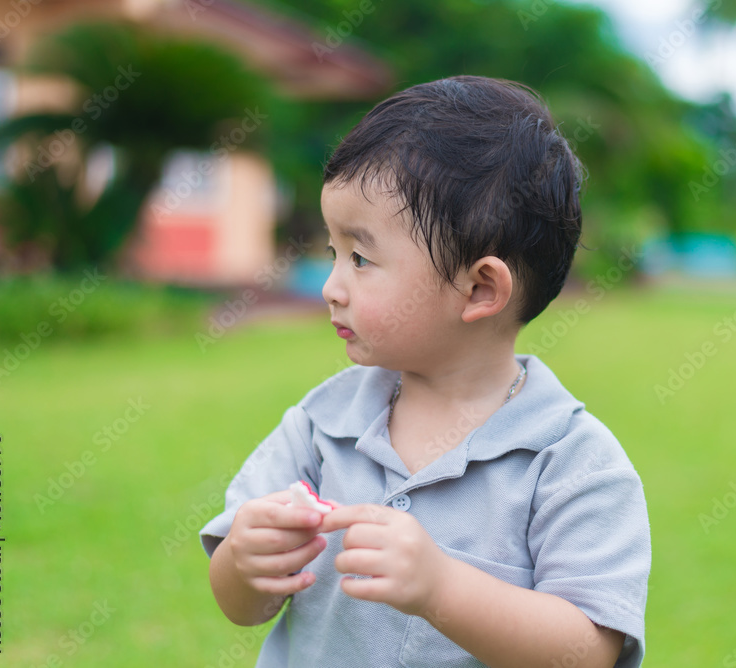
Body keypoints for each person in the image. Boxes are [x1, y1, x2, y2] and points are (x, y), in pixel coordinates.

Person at [201, 75, 651, 667]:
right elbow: (241, 604)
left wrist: (442, 589)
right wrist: (244, 562)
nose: (331, 287)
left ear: (480, 288)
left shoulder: (571, 462)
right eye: (333, 253)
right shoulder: (323, 424)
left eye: (361, 258)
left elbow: (588, 652)